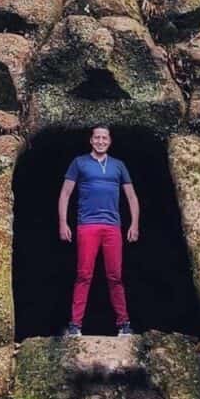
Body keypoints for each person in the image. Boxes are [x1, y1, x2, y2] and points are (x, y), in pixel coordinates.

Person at [58, 125, 140, 337]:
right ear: (91, 141)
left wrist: (134, 224)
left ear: (109, 141)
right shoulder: (80, 162)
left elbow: (131, 197)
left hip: (113, 226)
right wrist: (63, 223)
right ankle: (75, 325)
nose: (101, 141)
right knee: (84, 275)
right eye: (97, 137)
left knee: (115, 277)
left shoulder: (118, 166)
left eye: (104, 138)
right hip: (88, 225)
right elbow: (65, 194)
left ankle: (124, 324)